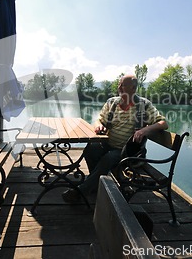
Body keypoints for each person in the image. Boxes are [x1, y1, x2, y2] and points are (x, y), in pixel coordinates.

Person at [62, 74, 168, 203]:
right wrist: (99, 126)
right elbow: (99, 121)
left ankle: (81, 191)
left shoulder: (144, 105)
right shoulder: (112, 102)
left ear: (133, 89)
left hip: (129, 152)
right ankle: (95, 183)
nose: (119, 87)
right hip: (108, 144)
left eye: (123, 85)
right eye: (119, 84)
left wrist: (145, 130)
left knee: (109, 158)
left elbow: (163, 123)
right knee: (91, 148)